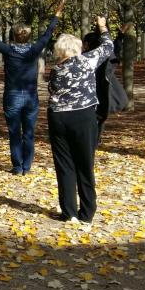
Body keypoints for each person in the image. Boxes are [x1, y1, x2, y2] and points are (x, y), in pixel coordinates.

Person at [0, 0, 63, 175]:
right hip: (31, 97)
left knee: (14, 133)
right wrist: (57, 13)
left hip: (12, 96)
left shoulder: (8, 50)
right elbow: (48, 33)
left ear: (14, 36)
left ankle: (17, 167)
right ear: (28, 36)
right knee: (29, 133)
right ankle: (26, 166)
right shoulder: (34, 49)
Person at [47, 16, 113, 227]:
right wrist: (103, 28)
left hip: (58, 117)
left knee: (64, 165)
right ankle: (87, 212)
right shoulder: (87, 61)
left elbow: (52, 90)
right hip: (83, 116)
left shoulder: (55, 70)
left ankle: (69, 212)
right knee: (85, 164)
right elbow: (108, 47)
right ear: (77, 48)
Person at [82, 23, 130, 144]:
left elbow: (113, 50)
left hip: (93, 98)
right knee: (99, 118)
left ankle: (93, 140)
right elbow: (113, 50)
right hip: (101, 98)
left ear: (86, 45)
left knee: (96, 118)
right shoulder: (104, 59)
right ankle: (95, 140)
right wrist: (119, 36)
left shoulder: (85, 60)